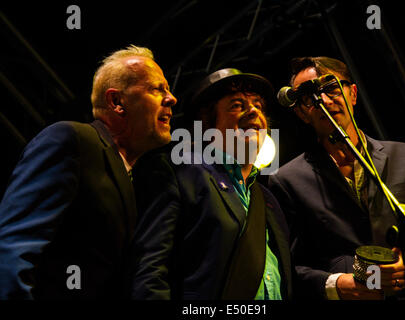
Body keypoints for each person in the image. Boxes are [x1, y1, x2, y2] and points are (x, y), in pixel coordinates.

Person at [0, 45, 177, 299]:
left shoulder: (132, 176)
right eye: (156, 89)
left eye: (168, 89)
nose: (172, 98)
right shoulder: (72, 140)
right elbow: (13, 249)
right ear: (117, 102)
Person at [268, 56, 405, 300]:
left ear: (353, 94)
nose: (322, 100)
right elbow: (290, 266)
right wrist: (337, 284)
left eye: (330, 88)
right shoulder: (286, 180)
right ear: (301, 114)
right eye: (309, 98)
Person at [130, 68, 293, 300]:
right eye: (237, 105)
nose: (254, 110)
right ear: (207, 124)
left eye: (258, 104)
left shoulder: (269, 200)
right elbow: (150, 269)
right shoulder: (180, 173)